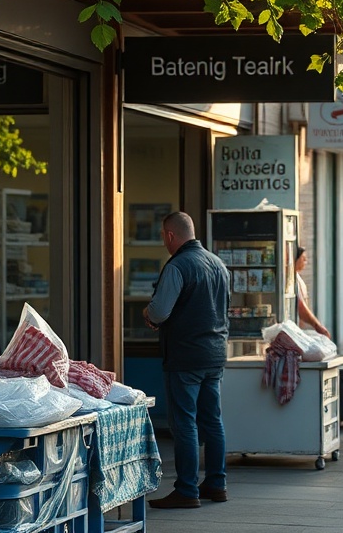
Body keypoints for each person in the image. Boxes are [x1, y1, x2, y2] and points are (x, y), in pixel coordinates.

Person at [145, 211, 230, 509]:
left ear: (170, 235)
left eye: (162, 236)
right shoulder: (218, 264)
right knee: (213, 421)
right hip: (215, 353)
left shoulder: (178, 266)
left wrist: (148, 314)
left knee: (185, 424)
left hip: (185, 356)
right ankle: (217, 484)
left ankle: (187, 489)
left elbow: (159, 312)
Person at [294, 246, 330, 338]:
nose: (305, 262)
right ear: (296, 259)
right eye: (303, 259)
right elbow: (301, 307)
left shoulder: (297, 278)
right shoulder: (293, 280)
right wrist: (317, 325)